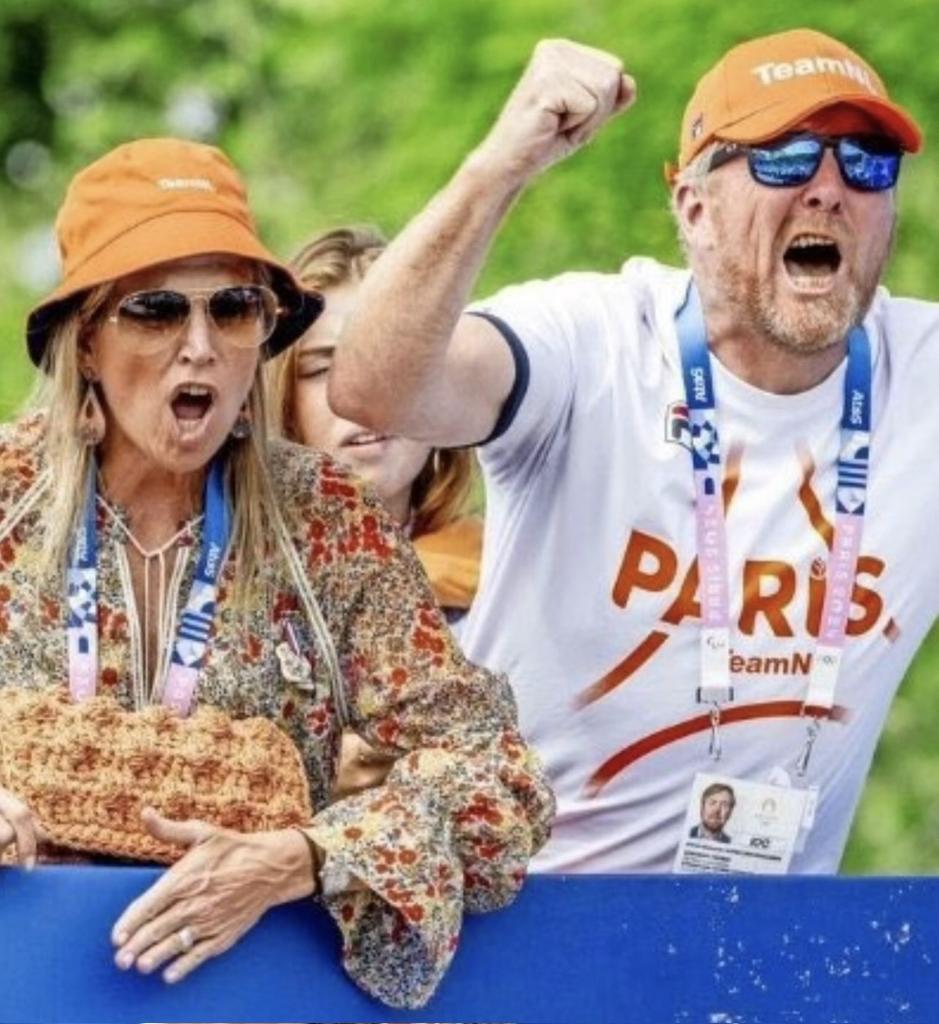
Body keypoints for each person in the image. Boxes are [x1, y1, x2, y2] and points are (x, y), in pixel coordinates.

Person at [327, 29, 939, 875]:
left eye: (867, 163)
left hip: (753, 963)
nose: (829, 189)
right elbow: (374, 388)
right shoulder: (595, 341)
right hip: (514, 919)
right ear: (692, 206)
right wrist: (501, 164)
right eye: (785, 157)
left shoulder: (921, 376)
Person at [0, 138, 553, 1010]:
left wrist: (304, 856)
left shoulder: (325, 519)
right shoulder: (8, 498)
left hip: (258, 990)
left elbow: (497, 777)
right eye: (153, 310)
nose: (199, 346)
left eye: (231, 308)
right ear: (86, 340)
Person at [267, 225, 484, 799]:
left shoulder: (506, 575)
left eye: (396, 360)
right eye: (321, 368)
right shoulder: (221, 576)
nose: (363, 394)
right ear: (276, 396)